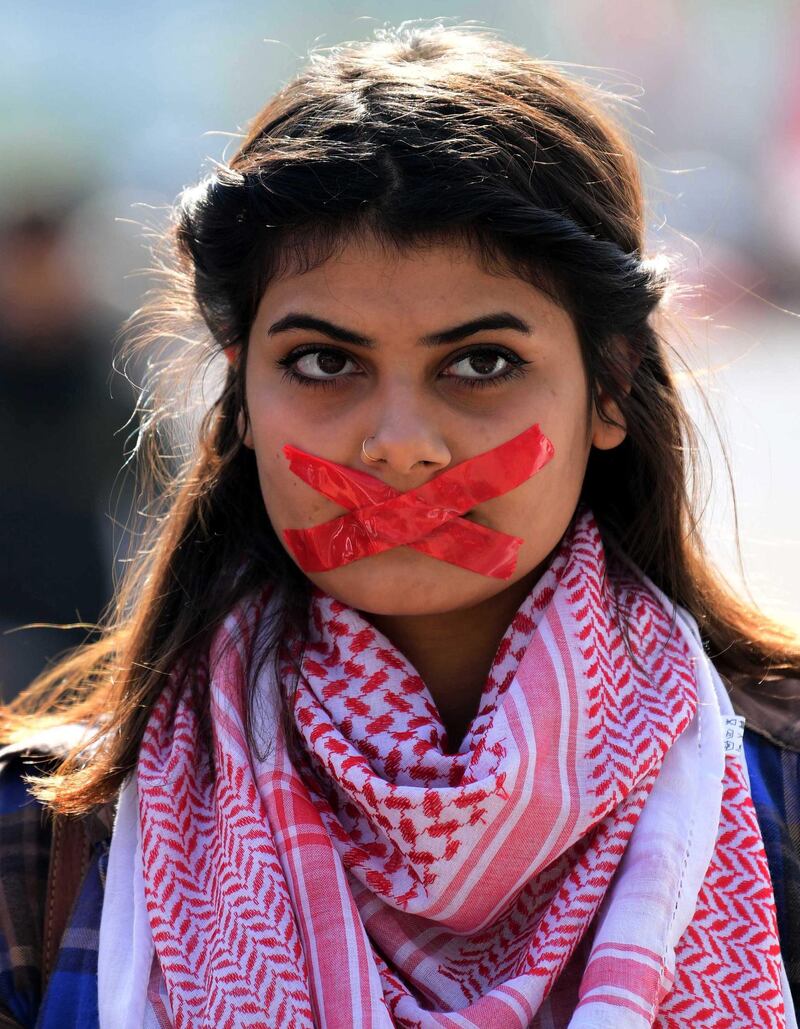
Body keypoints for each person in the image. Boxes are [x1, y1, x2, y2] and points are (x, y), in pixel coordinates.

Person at [0, 23, 797, 1029]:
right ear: (241, 397)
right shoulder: (44, 848)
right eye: (326, 363)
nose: (400, 445)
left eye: (480, 363)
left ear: (609, 388)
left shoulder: (778, 793)